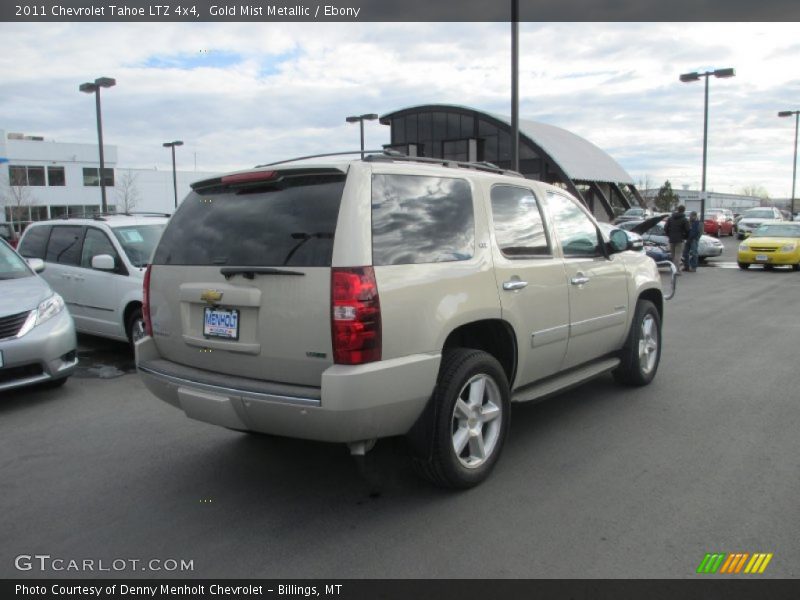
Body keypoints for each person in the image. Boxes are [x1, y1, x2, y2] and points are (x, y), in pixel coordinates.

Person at [664, 204, 689, 273]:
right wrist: (685, 236)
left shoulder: (671, 218)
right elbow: (687, 230)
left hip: (671, 239)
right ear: (684, 210)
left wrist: (669, 235)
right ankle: (676, 270)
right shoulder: (684, 219)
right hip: (680, 239)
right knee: (678, 255)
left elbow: (665, 228)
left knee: (673, 255)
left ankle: (673, 269)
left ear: (678, 210)